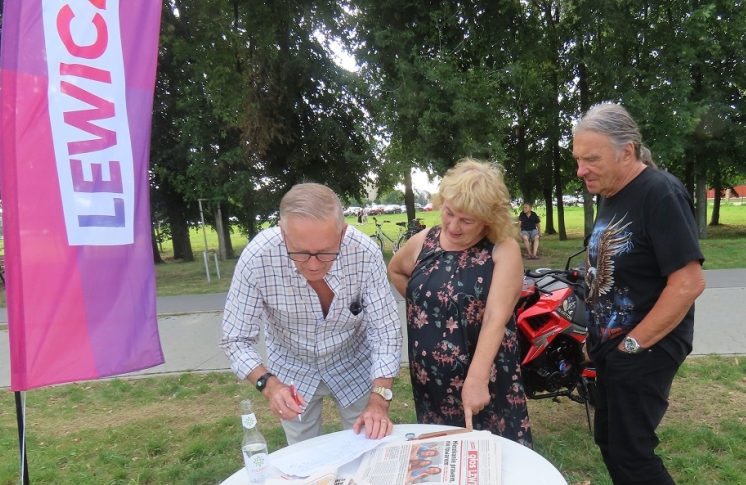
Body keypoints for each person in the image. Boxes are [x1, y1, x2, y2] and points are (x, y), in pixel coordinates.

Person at [572, 103, 720, 485]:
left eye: (591, 159)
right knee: (609, 439)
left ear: (627, 151)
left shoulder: (660, 192)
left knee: (634, 447)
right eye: (578, 159)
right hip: (611, 344)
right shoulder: (610, 196)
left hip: (648, 344)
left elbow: (689, 282)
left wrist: (635, 343)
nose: (581, 170)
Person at [221, 183, 402, 444]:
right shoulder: (257, 257)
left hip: (354, 364)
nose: (314, 265)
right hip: (292, 368)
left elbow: (386, 332)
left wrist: (380, 400)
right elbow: (235, 339)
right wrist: (269, 386)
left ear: (343, 232)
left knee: (367, 445)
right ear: (283, 233)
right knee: (302, 455)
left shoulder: (365, 252)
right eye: (301, 252)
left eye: (326, 251)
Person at [389, 159, 533, 448]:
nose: (453, 226)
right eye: (449, 213)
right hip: (431, 380)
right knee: (440, 457)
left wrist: (477, 380)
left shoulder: (502, 250)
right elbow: (396, 270)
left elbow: (495, 317)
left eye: (467, 221)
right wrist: (432, 309)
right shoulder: (424, 241)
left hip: (485, 376)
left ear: (488, 219)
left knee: (492, 456)